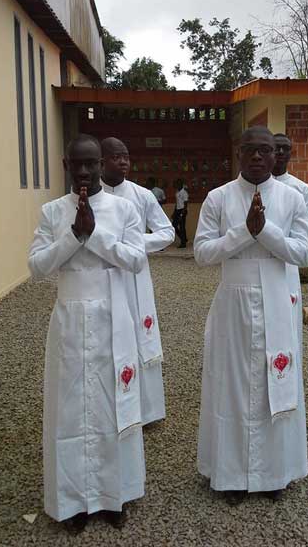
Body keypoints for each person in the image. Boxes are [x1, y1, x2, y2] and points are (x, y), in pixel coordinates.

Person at [28, 134, 146, 535]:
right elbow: (37, 267)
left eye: (90, 164)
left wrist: (94, 234)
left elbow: (135, 259)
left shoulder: (123, 208)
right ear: (66, 165)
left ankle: (114, 496)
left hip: (113, 317)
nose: (83, 171)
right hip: (69, 319)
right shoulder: (52, 211)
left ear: (101, 165)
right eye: (76, 164)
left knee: (114, 404)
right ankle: (73, 500)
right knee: (70, 408)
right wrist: (73, 236)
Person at [194, 125, 308, 505]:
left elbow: (305, 253)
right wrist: (245, 232)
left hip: (277, 299)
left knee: (274, 383)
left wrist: (268, 232)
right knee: (230, 387)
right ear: (239, 153)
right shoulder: (219, 197)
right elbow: (202, 253)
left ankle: (273, 473)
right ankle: (230, 475)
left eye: (266, 150)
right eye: (251, 150)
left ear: (276, 155)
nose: (258, 156)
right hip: (233, 302)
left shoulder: (292, 198)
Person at [101, 137, 174, 425]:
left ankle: (146, 411)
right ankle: (109, 408)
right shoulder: (90, 195)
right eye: (116, 157)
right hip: (104, 276)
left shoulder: (142, 195)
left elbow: (167, 232)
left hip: (135, 278)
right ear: (101, 161)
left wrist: (133, 243)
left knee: (139, 336)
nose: (123, 162)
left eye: (126, 156)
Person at [273, 133, 308, 355]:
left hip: (288, 261)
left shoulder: (300, 188)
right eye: (276, 148)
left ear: (291, 153)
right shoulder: (255, 185)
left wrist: (280, 242)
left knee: (287, 321)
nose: (280, 152)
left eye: (285, 148)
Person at [172, 179, 189, 248]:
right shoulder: (177, 192)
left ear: (181, 184)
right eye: (176, 184)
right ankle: (183, 238)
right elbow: (177, 203)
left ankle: (183, 243)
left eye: (178, 184)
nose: (177, 185)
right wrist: (174, 212)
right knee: (174, 225)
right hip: (177, 210)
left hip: (182, 210)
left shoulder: (184, 193)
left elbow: (185, 204)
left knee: (182, 227)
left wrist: (182, 214)